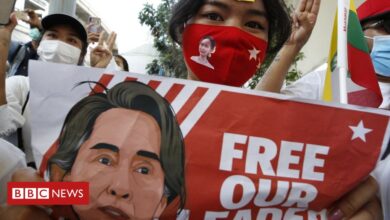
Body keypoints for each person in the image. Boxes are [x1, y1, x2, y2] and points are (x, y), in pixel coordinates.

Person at [168, 0, 383, 219]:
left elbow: (259, 114)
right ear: (182, 26)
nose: (234, 33)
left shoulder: (288, 143)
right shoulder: (144, 119)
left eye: (254, 24)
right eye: (214, 16)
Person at [2, 81, 186, 220]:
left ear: (162, 201)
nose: (120, 188)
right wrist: (23, 196)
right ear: (63, 175)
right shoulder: (56, 195)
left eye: (143, 170)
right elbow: (24, 191)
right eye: (104, 160)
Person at [0, 13, 116, 167]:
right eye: (53, 35)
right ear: (39, 45)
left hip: (73, 190)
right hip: (24, 187)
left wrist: (96, 75)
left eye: (71, 40)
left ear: (81, 56)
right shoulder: (20, 86)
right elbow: (2, 125)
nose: (60, 44)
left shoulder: (88, 95)